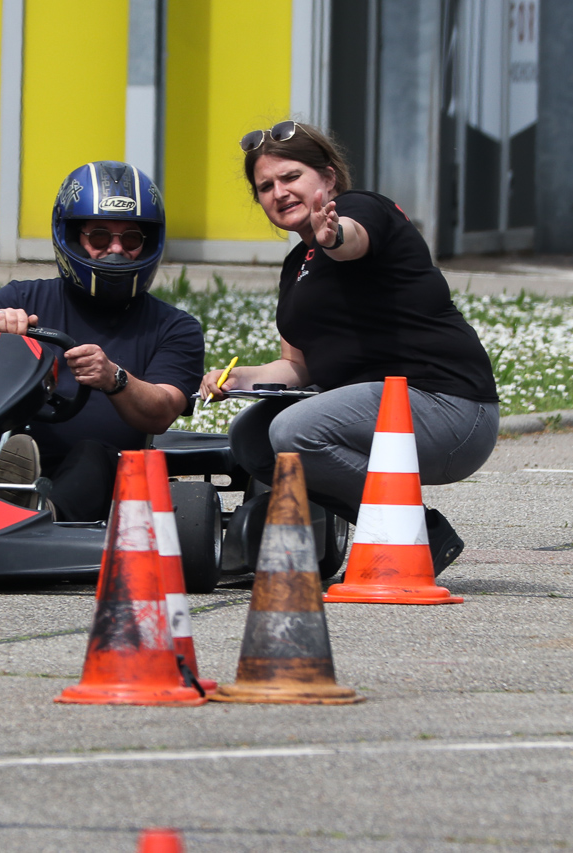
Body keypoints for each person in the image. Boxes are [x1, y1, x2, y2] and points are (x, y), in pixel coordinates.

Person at [198, 120, 499, 574]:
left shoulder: (363, 209)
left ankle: (414, 533)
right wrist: (241, 378)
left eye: (291, 177)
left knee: (294, 431)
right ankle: (408, 532)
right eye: (265, 187)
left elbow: (351, 240)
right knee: (252, 439)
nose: (279, 192)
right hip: (380, 413)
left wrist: (334, 236)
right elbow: (296, 367)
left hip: (451, 410)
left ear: (328, 176)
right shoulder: (295, 266)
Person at [0, 160, 205, 521]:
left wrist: (115, 378)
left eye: (130, 239)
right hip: (3, 455)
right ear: (73, 238)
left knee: (93, 454)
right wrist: (2, 343)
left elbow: (163, 411)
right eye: (99, 237)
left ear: (147, 245)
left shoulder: (174, 327)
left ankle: (38, 516)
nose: (115, 250)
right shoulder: (18, 300)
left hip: (97, 476)